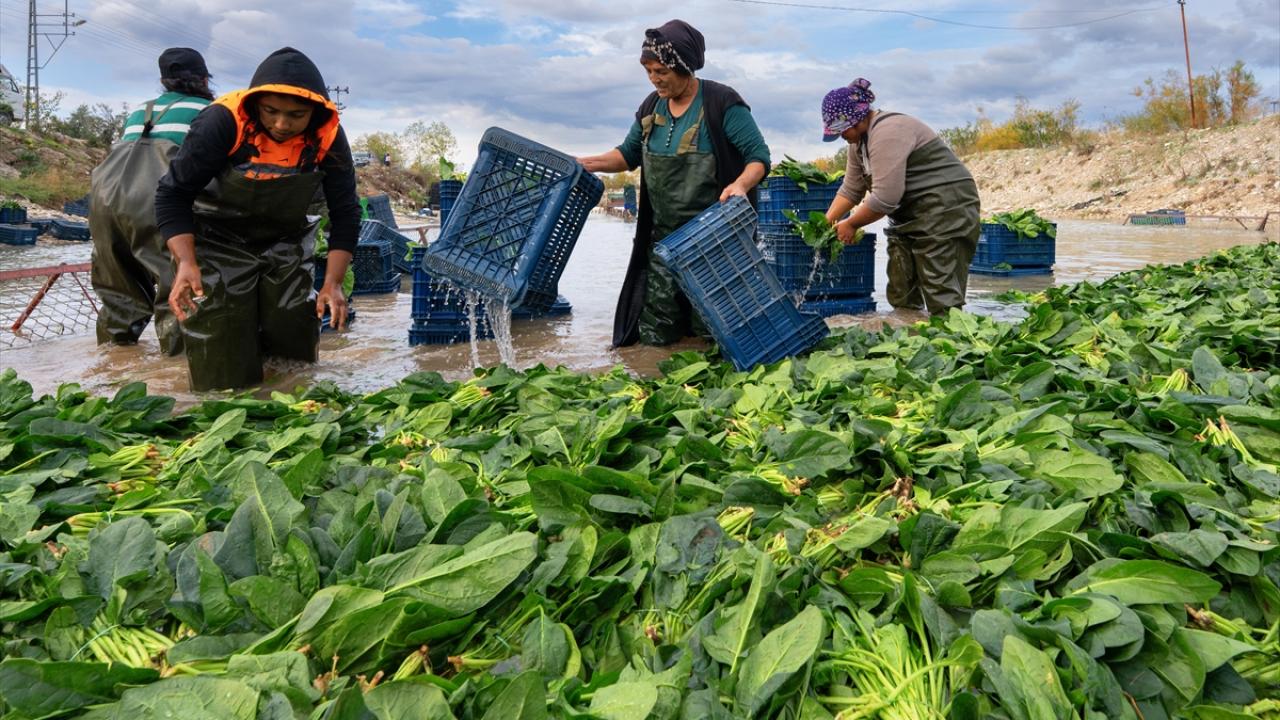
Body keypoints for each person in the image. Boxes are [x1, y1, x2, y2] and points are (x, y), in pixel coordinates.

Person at [155, 47, 361, 391]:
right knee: (222, 362)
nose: (281, 124)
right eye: (271, 111)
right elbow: (173, 194)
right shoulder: (222, 121)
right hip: (217, 240)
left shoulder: (328, 136)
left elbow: (346, 211)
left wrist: (333, 282)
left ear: (314, 113)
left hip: (285, 240)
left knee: (294, 349)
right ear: (256, 104)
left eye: (296, 115)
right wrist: (186, 262)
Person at [579, 19, 770, 347]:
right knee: (657, 331)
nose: (654, 79)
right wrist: (585, 163)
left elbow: (759, 157)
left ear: (684, 67)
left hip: (714, 244)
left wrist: (741, 185)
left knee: (711, 331)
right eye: (648, 72)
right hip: (663, 244)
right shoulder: (651, 107)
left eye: (661, 71)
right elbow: (626, 154)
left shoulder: (721, 103)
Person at [89, 47, 214, 354]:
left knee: (119, 294)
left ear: (163, 81)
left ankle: (113, 365)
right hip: (156, 203)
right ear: (204, 79)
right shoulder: (210, 111)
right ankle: (178, 368)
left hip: (105, 203)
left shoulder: (140, 111)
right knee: (179, 288)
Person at [821, 78, 980, 316]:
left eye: (841, 129)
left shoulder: (888, 131)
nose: (840, 136)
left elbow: (886, 198)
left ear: (857, 118)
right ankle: (909, 330)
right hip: (908, 215)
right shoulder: (858, 144)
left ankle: (950, 333)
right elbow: (851, 189)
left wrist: (852, 224)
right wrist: (827, 222)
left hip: (946, 209)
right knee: (901, 289)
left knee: (941, 291)